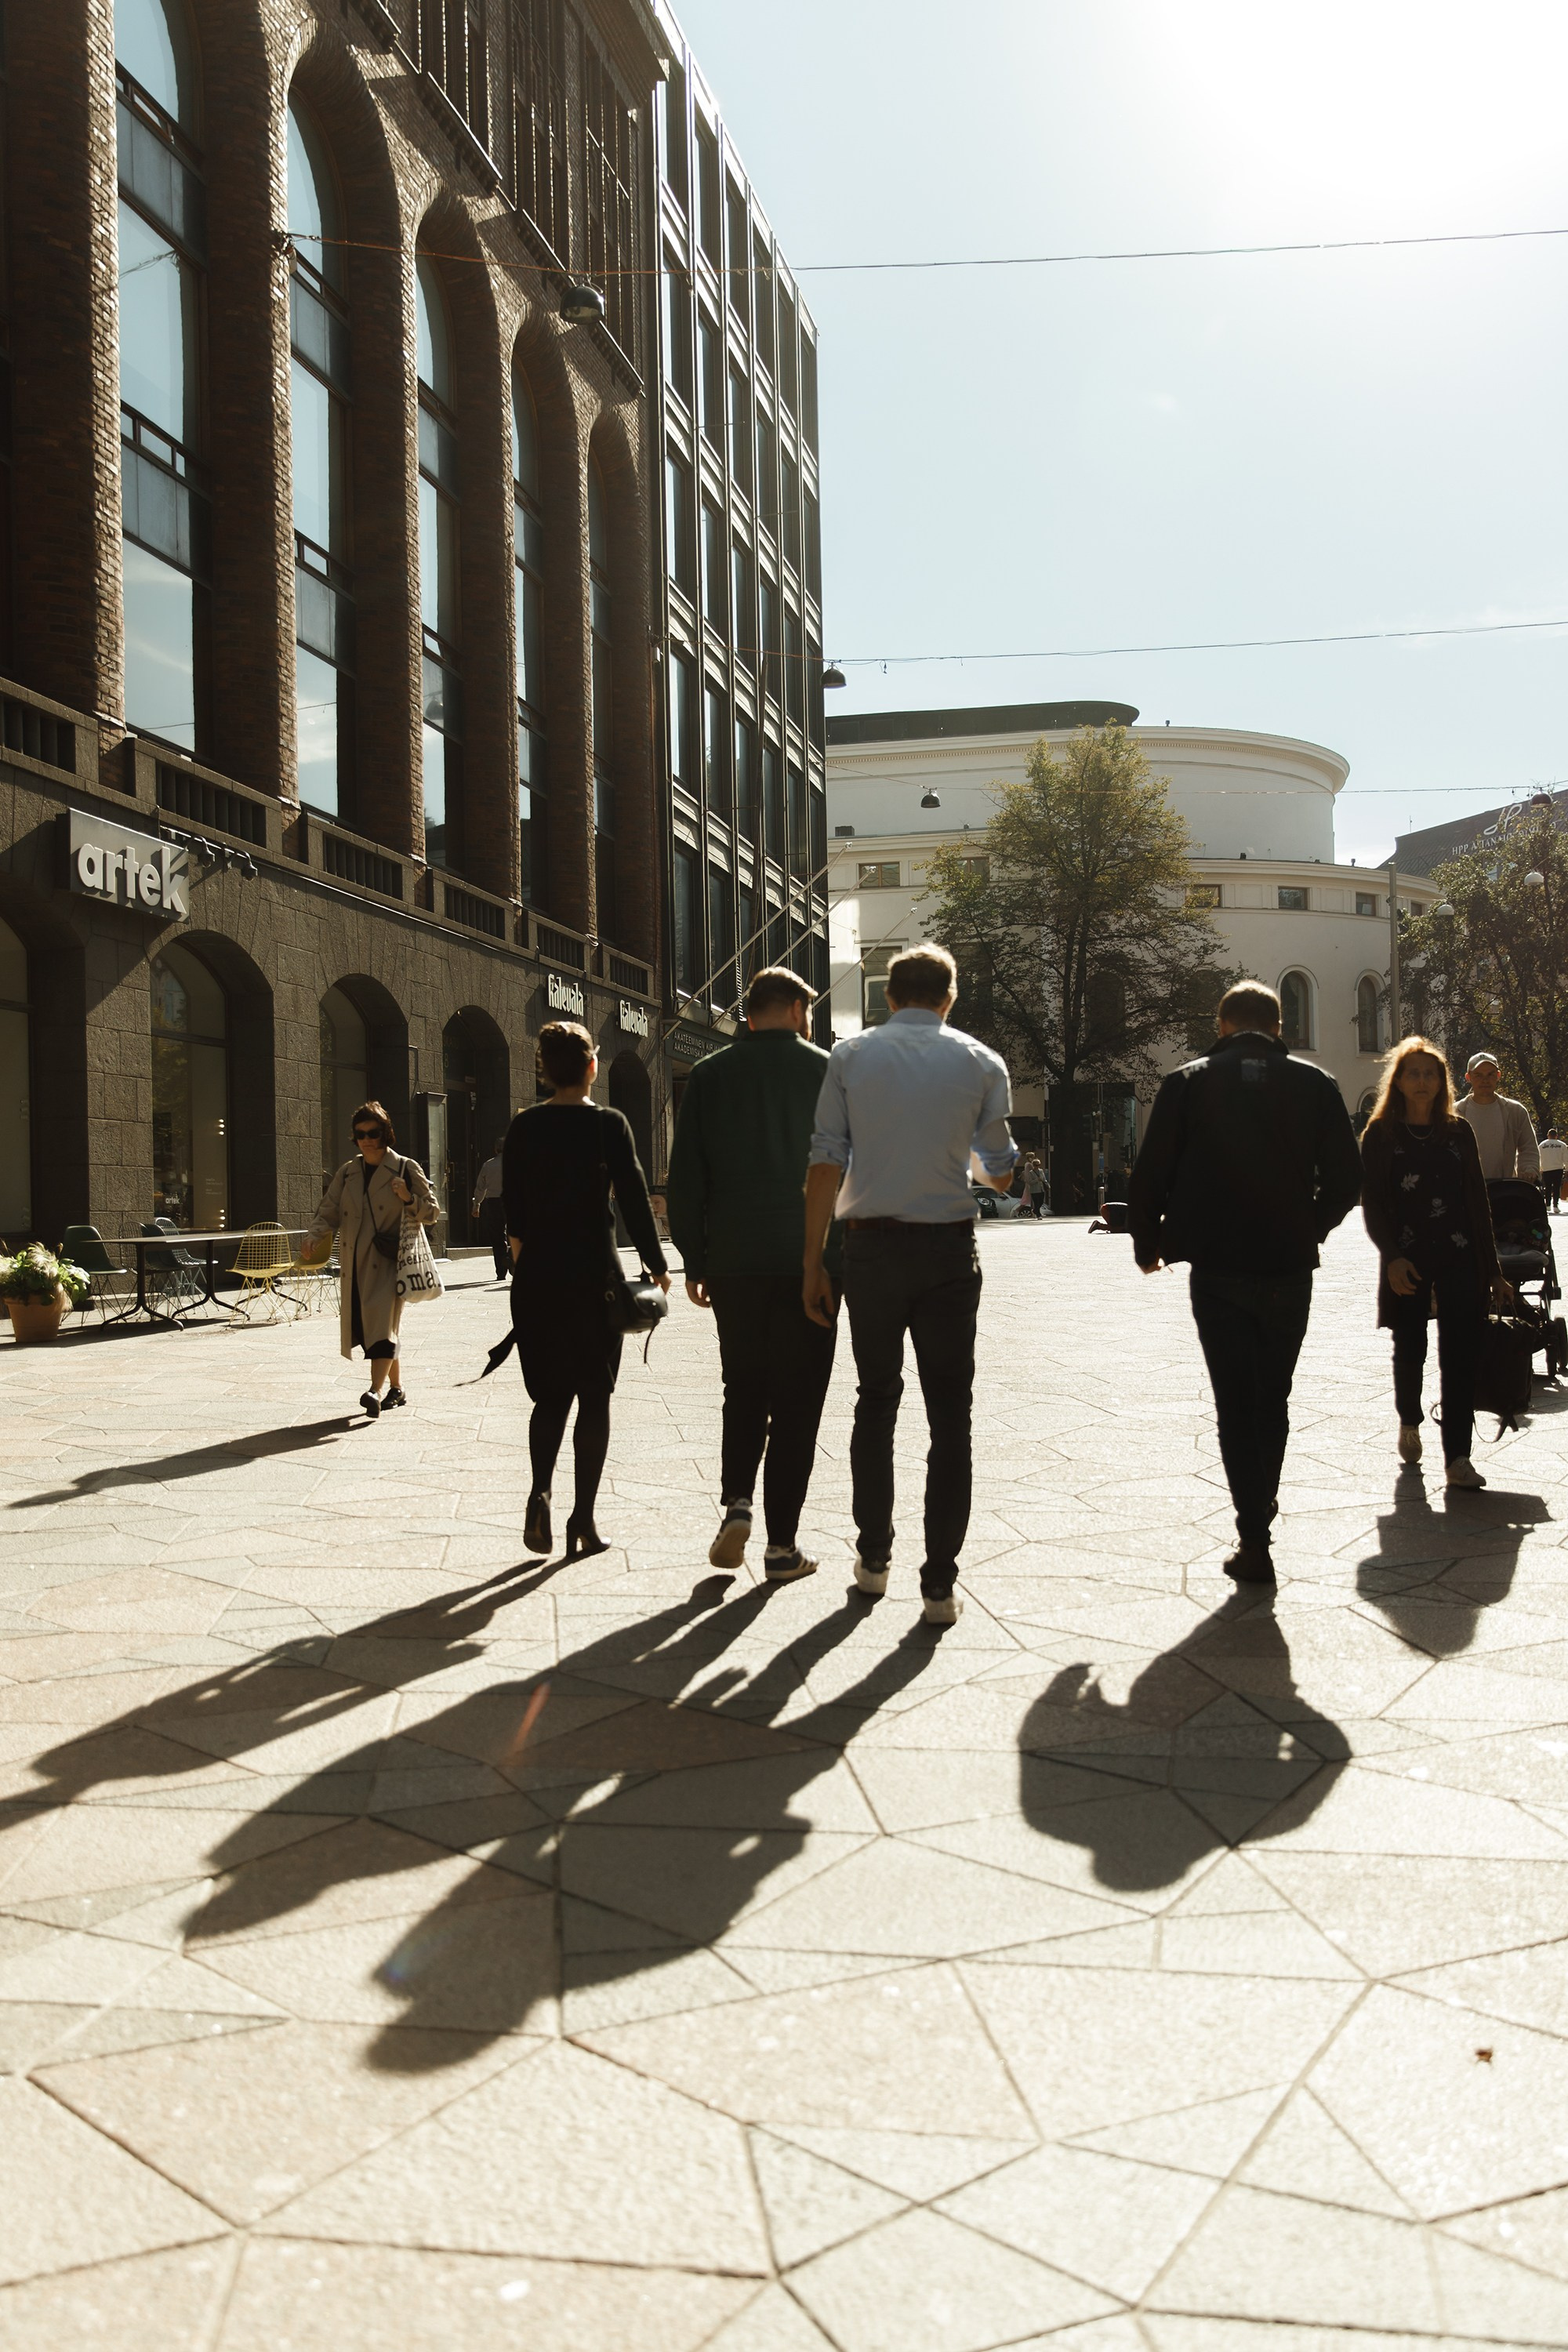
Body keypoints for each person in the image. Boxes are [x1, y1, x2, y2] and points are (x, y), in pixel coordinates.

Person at [803, 942, 1017, 1625]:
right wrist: (967, 1162)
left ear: (888, 996)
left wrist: (814, 1260)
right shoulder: (982, 1062)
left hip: (871, 1252)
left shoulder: (851, 1057)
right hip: (948, 1252)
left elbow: (825, 1161)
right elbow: (1000, 1171)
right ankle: (939, 1584)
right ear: (949, 998)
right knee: (952, 1416)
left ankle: (873, 1556)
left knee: (876, 1401)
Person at [1127, 980, 1361, 1582]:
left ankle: (1252, 1530)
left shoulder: (1188, 1081)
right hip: (1287, 1261)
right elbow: (1345, 1177)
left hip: (1218, 1264)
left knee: (1234, 1399)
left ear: (1223, 1025)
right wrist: (1313, 1225)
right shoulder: (1316, 1084)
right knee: (1272, 1394)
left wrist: (1148, 1242)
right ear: (1279, 1027)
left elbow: (1153, 1169)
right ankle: (1264, 1499)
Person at [666, 965, 840, 1584]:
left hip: (736, 1261)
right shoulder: (827, 1071)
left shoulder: (711, 1076)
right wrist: (836, 1258)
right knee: (799, 1404)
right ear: (797, 1010)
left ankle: (737, 1501)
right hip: (809, 1261)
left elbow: (687, 1174)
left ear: (748, 1015)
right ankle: (782, 1546)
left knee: (742, 1386)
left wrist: (696, 1255)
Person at [503, 1020, 670, 1561]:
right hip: (593, 1281)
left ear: (544, 1071)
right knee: (594, 1397)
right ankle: (583, 1520)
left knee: (550, 1397)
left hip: (538, 1282)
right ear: (592, 1066)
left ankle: (538, 1494)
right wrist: (656, 1261)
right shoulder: (609, 1125)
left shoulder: (523, 1128)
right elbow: (635, 1200)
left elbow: (514, 1212)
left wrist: (526, 1260)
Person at [1361, 1037, 1510, 1489]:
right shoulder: (1381, 1135)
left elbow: (1477, 1202)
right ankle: (1410, 1421)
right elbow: (1374, 1205)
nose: (1422, 1081)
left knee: (1460, 1358)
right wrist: (1391, 1258)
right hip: (1407, 1260)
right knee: (1411, 1350)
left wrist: (1494, 1269)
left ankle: (1458, 1458)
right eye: (1414, 1073)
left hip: (1460, 1257)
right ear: (1399, 1081)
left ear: (1442, 1082)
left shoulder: (1458, 1131)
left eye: (1431, 1074)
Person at [306, 1101, 441, 1420]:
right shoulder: (349, 1171)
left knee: (380, 1327)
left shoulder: (406, 1168)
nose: (366, 1139)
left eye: (373, 1133)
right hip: (354, 1263)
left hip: (390, 1261)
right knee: (382, 1326)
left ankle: (375, 1391)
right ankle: (397, 1388)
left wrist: (408, 1198)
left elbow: (433, 1212)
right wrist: (314, 1235)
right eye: (360, 1134)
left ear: (385, 1134)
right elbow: (329, 1209)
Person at [1456, 1051, 1540, 1181]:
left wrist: (1529, 1170)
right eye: (1478, 1075)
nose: (1485, 1080)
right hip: (1464, 1192)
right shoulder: (1453, 1113)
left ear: (1498, 1076)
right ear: (1468, 1077)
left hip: (1504, 1191)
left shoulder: (1516, 1112)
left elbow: (1529, 1148)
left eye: (1490, 1074)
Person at [472, 1135, 507, 1280]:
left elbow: (481, 1188)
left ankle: (501, 1271)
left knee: (497, 1237)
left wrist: (476, 1205)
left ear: (495, 1149)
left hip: (494, 1203)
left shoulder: (488, 1165)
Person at [1538, 1129, 1567, 1211]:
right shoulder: (1562, 1145)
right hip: (1558, 1169)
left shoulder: (1542, 1145)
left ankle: (1547, 1205)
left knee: (1547, 1187)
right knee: (1556, 1187)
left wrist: (1540, 1168)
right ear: (1556, 1136)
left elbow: (1538, 1158)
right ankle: (1555, 1206)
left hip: (1546, 1169)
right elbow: (1566, 1159)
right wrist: (1567, 1169)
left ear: (1548, 1135)